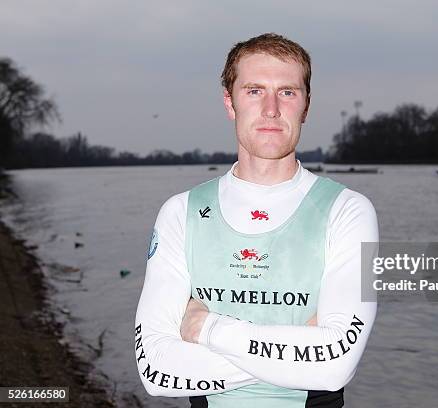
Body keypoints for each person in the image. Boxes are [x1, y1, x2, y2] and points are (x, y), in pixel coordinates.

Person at [134, 33, 378, 408]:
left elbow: (335, 367)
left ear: (306, 106)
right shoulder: (180, 212)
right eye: (253, 91)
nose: (271, 109)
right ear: (229, 102)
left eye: (287, 92)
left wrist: (208, 330)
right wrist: (301, 348)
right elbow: (154, 370)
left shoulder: (349, 211)